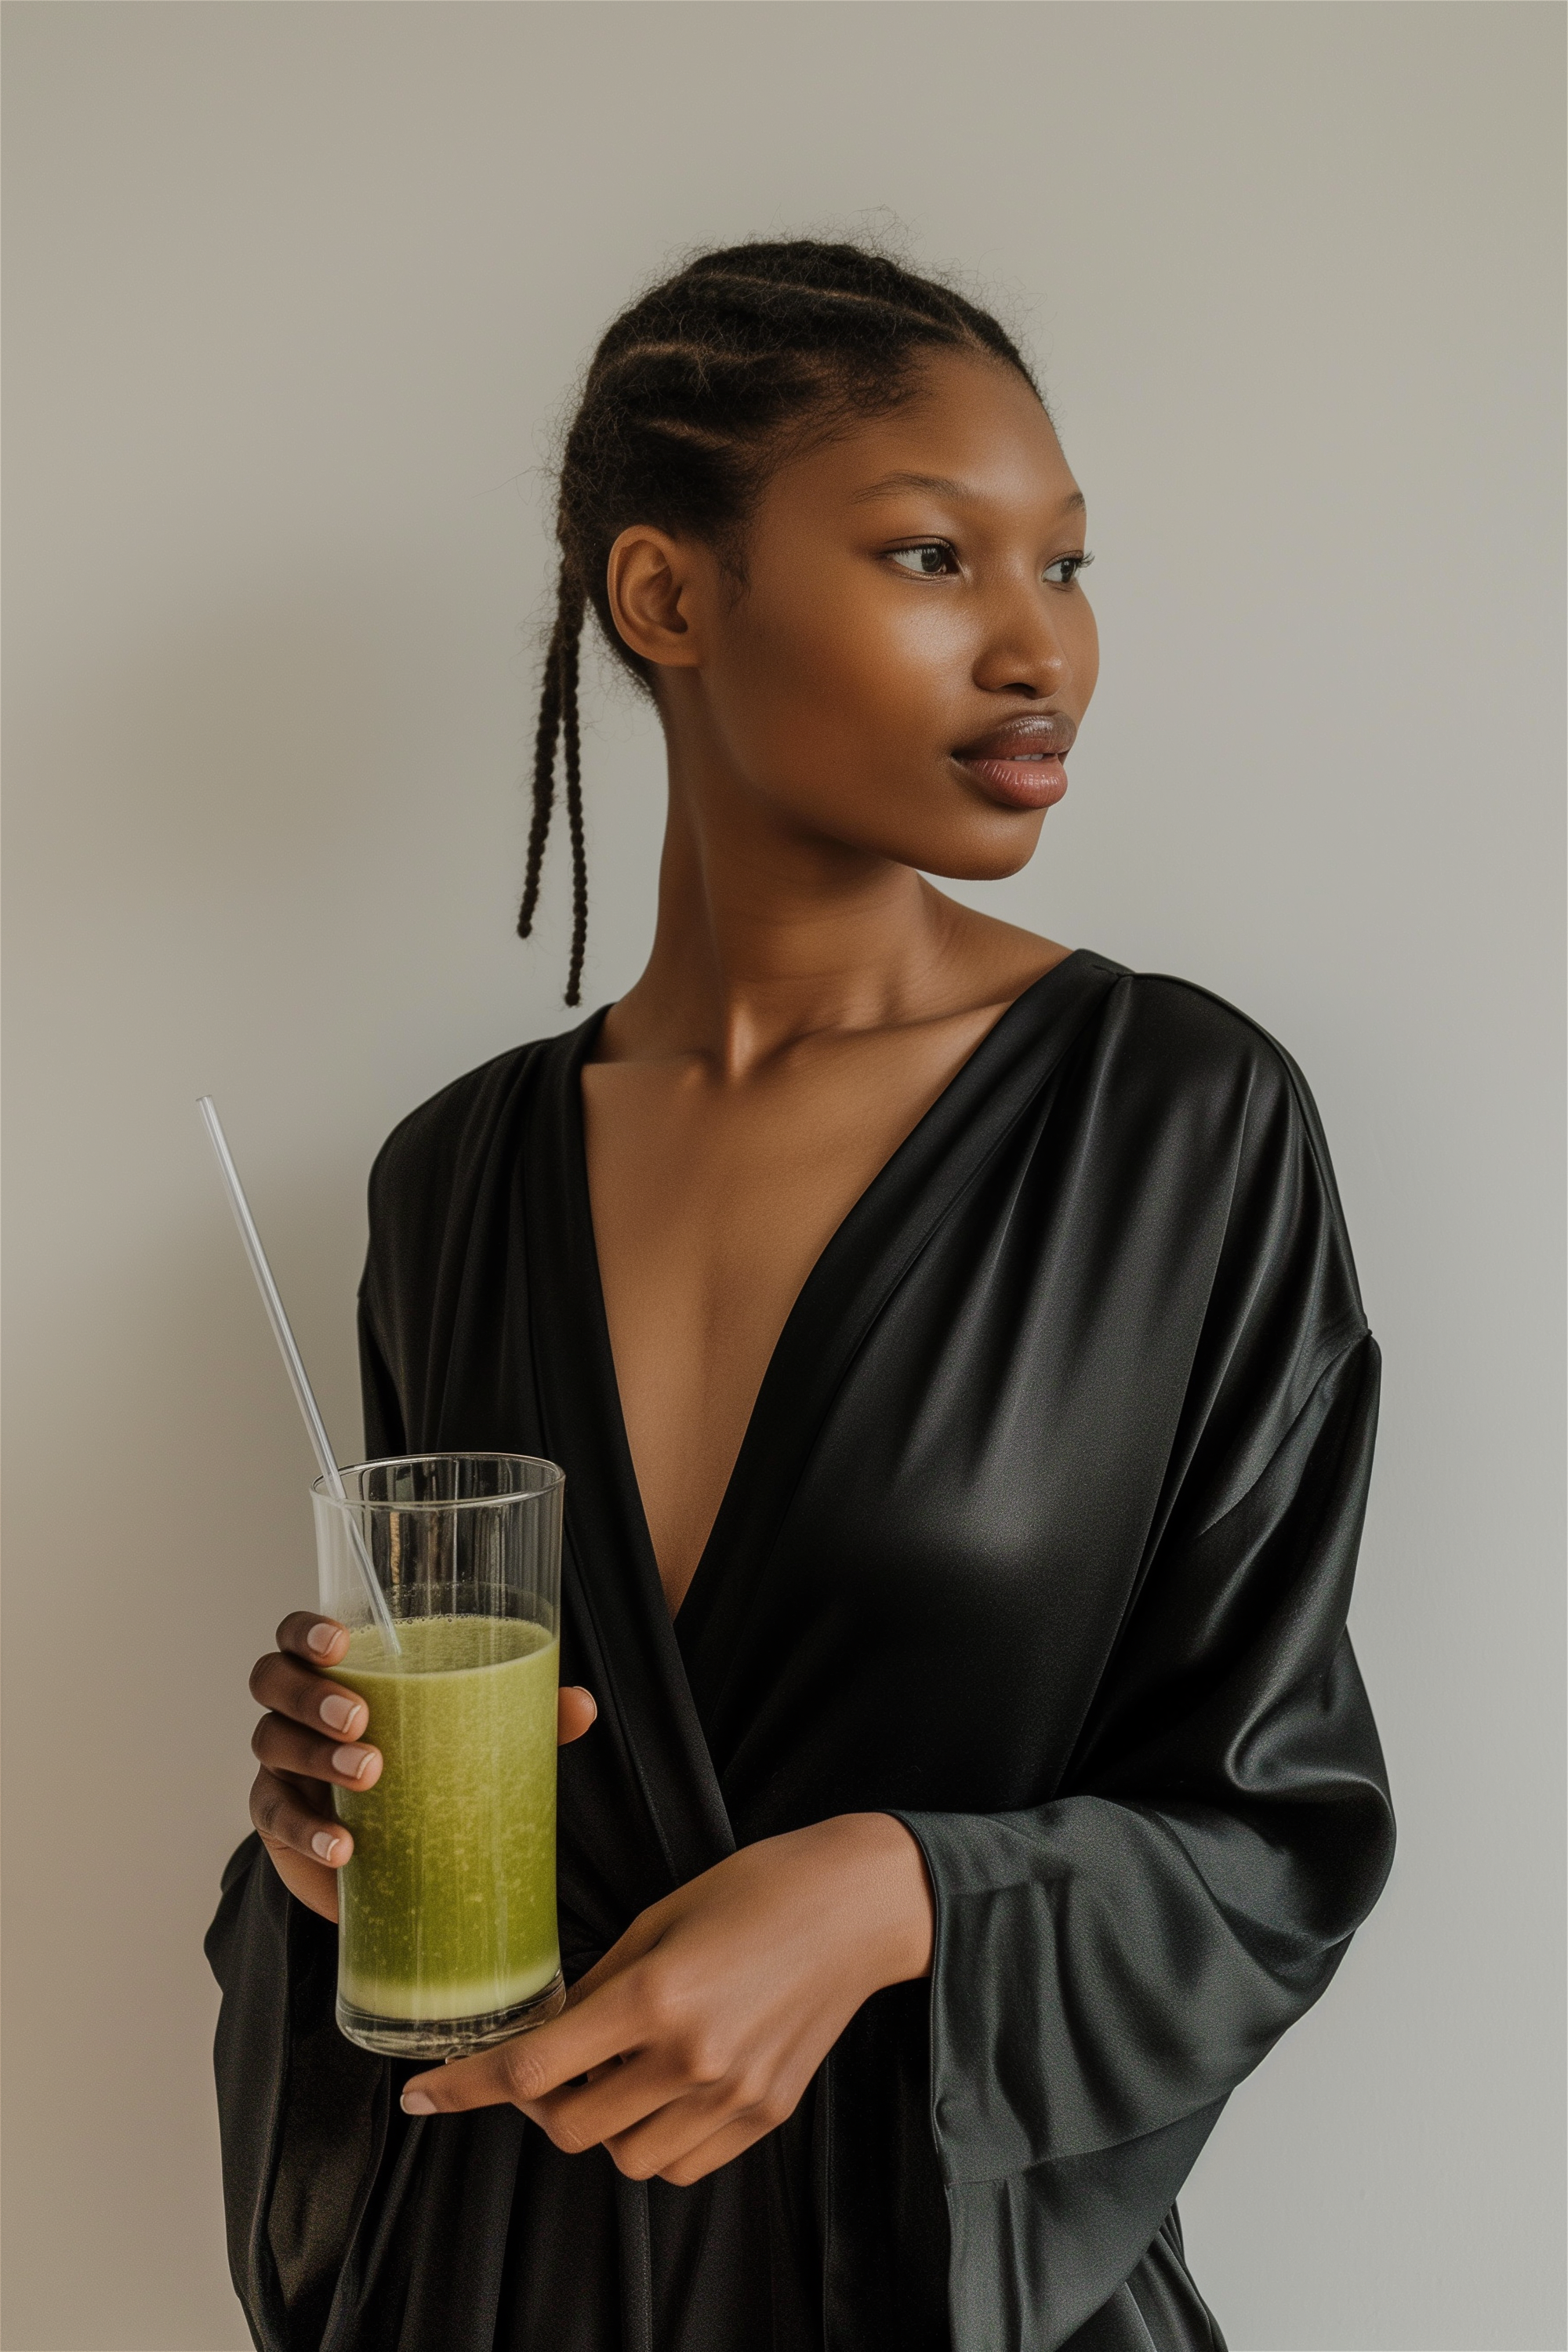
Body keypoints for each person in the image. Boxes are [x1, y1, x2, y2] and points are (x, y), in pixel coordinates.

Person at [209, 240, 1395, 2352]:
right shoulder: (452, 1181)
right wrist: (328, 1833)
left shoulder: (1180, 1127)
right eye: (937, 556)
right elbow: (438, 1819)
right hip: (499, 2286)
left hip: (922, 2295)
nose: (1044, 653)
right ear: (671, 598)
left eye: (1070, 567)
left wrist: (896, 1893)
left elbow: (1277, 1832)